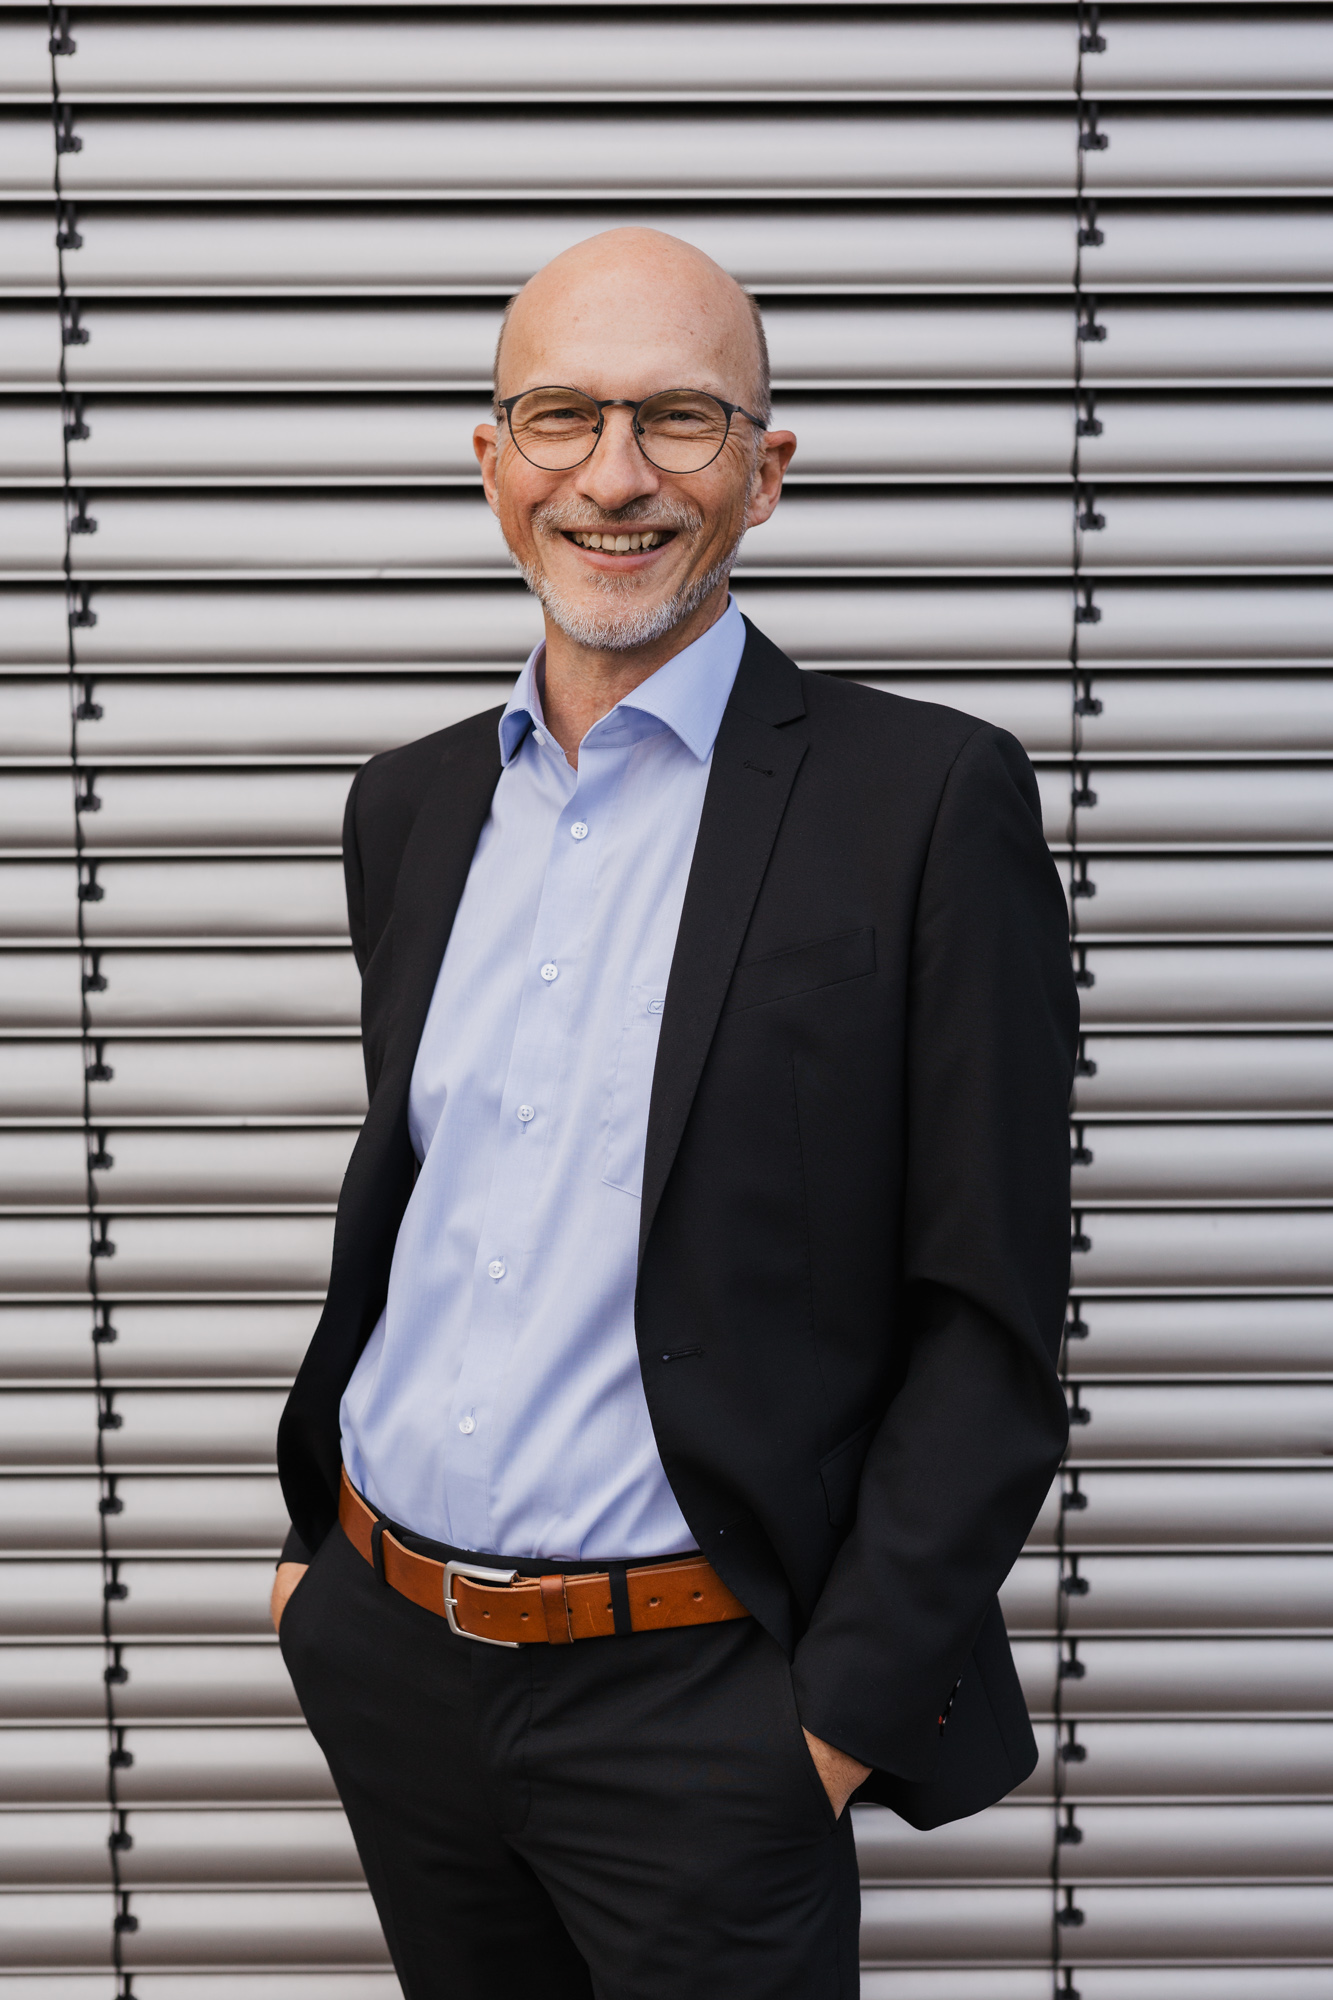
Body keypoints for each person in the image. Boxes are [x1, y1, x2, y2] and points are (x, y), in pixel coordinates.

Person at [272, 226, 1077, 2000]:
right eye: (559, 416)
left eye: (682, 420)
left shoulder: (928, 803)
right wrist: (312, 1576)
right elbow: (432, 1203)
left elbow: (989, 1322)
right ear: (493, 461)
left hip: (701, 1719)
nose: (614, 476)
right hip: (395, 1662)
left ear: (765, 472)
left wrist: (828, 1726)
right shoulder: (407, 811)